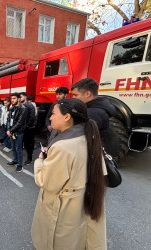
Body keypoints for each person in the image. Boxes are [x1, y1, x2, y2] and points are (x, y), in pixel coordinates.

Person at [32, 98, 107, 250]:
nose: (50, 117)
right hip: (85, 198)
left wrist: (40, 162)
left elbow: (48, 183)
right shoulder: (89, 135)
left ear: (67, 117)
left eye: (53, 114)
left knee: (58, 242)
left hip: (65, 206)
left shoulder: (62, 146)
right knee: (79, 239)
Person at [71, 78, 116, 145]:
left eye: (75, 95)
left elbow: (80, 139)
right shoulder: (96, 109)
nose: (73, 97)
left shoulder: (93, 114)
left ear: (88, 94)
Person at [6, 93, 26, 172]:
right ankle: (15, 160)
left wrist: (11, 130)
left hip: (18, 132)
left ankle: (20, 164)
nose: (12, 100)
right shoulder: (11, 107)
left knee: (19, 149)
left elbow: (20, 122)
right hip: (11, 132)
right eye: (12, 98)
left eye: (14, 98)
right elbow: (8, 120)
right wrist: (8, 129)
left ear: (19, 99)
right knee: (13, 147)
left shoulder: (23, 108)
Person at [20, 92, 36, 165]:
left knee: (28, 144)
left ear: (25, 97)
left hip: (28, 128)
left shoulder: (30, 105)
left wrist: (27, 126)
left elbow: (32, 117)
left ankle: (29, 158)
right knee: (24, 143)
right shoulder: (20, 105)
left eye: (21, 97)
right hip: (22, 128)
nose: (20, 98)